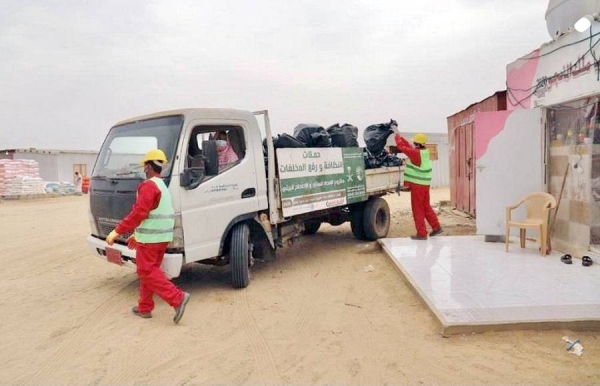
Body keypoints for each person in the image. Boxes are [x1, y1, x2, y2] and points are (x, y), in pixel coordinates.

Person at [106, 149, 190, 323]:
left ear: (148, 167)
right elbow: (153, 214)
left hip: (151, 240)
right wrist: (137, 235)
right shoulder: (162, 187)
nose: (143, 169)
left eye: (144, 166)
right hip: (161, 237)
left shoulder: (148, 186)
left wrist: (117, 231)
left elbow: (139, 213)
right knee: (149, 272)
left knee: (146, 270)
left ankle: (177, 298)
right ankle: (144, 307)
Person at [393, 127, 442, 240]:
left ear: (417, 144)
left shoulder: (415, 153)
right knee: (426, 206)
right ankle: (436, 227)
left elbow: (402, 147)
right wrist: (400, 135)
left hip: (418, 186)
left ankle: (421, 234)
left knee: (418, 209)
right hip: (425, 185)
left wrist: (396, 136)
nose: (413, 144)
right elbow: (409, 146)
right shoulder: (424, 152)